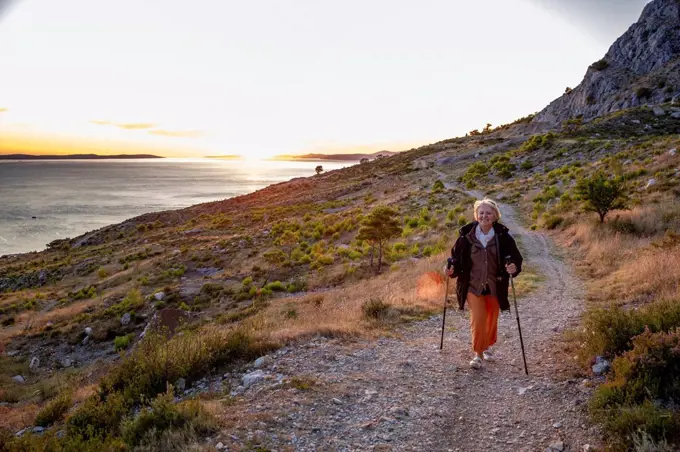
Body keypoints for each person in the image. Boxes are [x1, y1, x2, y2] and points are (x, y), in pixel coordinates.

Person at [445, 198, 523, 369]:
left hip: (496, 285)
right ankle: (478, 354)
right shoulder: (466, 236)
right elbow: (456, 259)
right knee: (478, 319)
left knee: (491, 318)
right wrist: (451, 270)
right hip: (473, 286)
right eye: (481, 213)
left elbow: (516, 258)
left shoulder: (503, 237)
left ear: (495, 215)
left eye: (488, 213)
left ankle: (487, 344)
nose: (484, 216)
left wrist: (513, 267)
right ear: (476, 215)